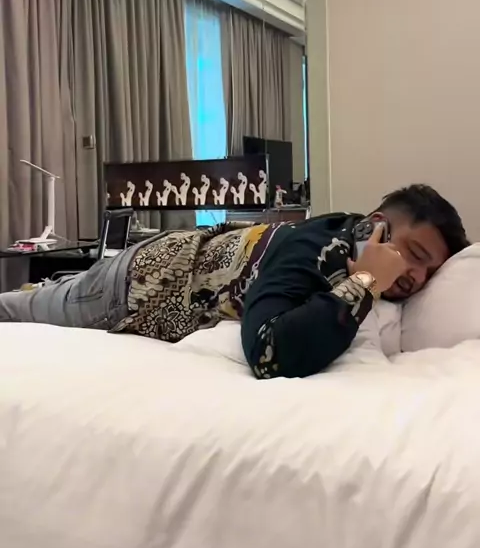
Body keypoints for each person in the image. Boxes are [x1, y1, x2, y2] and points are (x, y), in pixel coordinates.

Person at [0, 184, 468, 379]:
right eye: (415, 255)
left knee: (40, 296)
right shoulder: (318, 248)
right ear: (374, 227)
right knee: (19, 310)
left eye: (429, 272)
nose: (416, 277)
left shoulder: (345, 250)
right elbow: (267, 353)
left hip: (160, 263)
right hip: (133, 287)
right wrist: (364, 280)